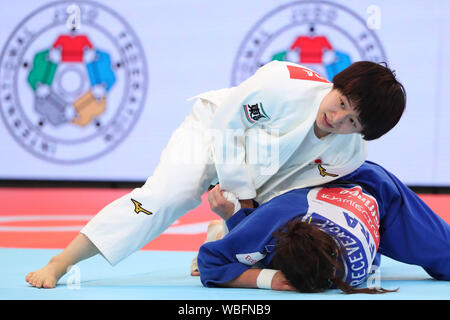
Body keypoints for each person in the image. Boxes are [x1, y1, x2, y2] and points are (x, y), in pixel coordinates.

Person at [25, 60, 406, 288]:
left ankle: (219, 235)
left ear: (362, 133)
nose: (337, 118)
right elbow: (228, 127)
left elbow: (289, 191)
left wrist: (239, 213)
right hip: (212, 132)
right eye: (340, 102)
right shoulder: (283, 86)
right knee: (159, 200)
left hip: (268, 165)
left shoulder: (350, 154)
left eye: (352, 120)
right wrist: (239, 195)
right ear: (336, 85)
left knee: (274, 214)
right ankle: (61, 261)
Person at [195, 161, 450, 293]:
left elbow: (210, 263)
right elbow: (210, 261)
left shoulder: (278, 214)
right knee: (249, 233)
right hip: (297, 195)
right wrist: (269, 279)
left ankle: (232, 228)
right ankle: (235, 226)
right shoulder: (275, 219)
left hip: (377, 195)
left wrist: (266, 278)